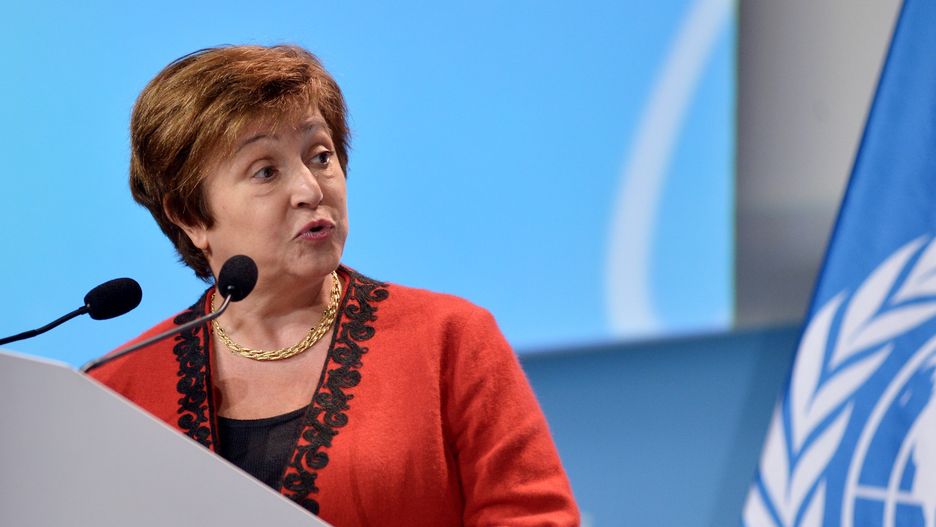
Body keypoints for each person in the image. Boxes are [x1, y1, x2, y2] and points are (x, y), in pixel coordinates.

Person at [86, 45, 579, 526]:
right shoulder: (117, 391)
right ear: (190, 216)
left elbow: (533, 516)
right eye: (266, 171)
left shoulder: (449, 340)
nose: (310, 189)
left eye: (320, 156)